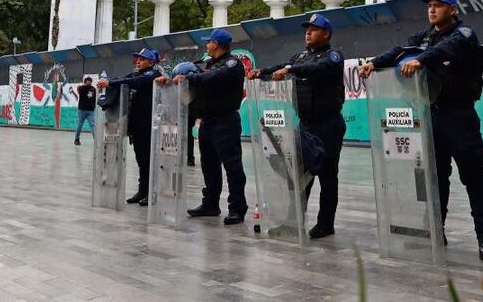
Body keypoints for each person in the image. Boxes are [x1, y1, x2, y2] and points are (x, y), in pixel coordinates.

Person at [359, 0, 483, 261]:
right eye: (430, 6)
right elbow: (400, 50)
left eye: (438, 6)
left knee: (473, 178)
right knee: (434, 180)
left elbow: (446, 49)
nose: (432, 10)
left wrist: (420, 59)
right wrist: (374, 64)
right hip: (431, 115)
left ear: (453, 10)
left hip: (460, 117)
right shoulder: (423, 37)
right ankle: (435, 230)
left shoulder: (464, 34)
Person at [246, 13, 346, 239]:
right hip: (305, 124)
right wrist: (262, 72)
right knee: (298, 174)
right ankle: (293, 221)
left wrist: (292, 70)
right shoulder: (301, 56)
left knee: (327, 176)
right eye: (306, 29)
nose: (307, 33)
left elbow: (317, 69)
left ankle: (325, 224)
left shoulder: (333, 56)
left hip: (328, 125)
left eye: (313, 29)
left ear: (326, 33)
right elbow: (283, 65)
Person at [164, 28, 247, 226]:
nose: (206, 45)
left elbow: (212, 77)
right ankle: (210, 204)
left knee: (232, 167)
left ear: (217, 44)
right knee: (209, 167)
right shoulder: (207, 63)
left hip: (226, 121)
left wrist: (189, 78)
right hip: (207, 122)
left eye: (209, 42)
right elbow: (188, 73)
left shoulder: (232, 63)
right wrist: (169, 80)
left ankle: (237, 208)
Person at [98, 48, 161, 206]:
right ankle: (142, 191)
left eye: (142, 59)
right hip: (137, 126)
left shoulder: (153, 75)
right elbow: (124, 79)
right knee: (141, 160)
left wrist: (110, 82)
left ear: (151, 62)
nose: (138, 61)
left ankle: (151, 193)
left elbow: (134, 82)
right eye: (137, 59)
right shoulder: (137, 74)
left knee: (149, 160)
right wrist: (111, 82)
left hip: (149, 126)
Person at [74, 76, 96, 146]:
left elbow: (94, 98)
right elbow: (78, 89)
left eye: (90, 82)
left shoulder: (93, 89)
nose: (89, 83)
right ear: (85, 82)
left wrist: (93, 106)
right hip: (82, 110)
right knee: (80, 125)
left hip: (90, 111)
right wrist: (82, 86)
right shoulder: (82, 88)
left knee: (92, 125)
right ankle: (76, 139)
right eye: (88, 82)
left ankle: (96, 139)